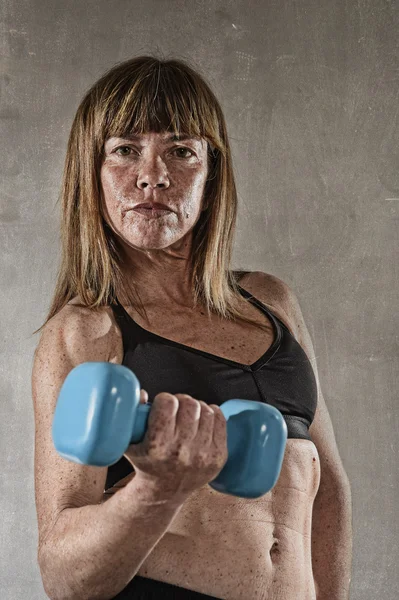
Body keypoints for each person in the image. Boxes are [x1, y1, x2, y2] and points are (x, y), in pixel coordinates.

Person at [31, 55, 352, 600]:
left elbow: (328, 489)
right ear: (91, 172)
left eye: (180, 151)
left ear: (212, 172)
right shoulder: (84, 334)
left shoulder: (271, 301)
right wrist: (157, 489)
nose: (153, 175)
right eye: (125, 150)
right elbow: (64, 577)